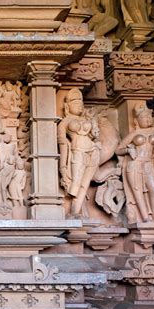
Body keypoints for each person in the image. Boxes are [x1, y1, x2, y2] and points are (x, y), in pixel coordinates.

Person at [116, 104, 154, 223]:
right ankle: (145, 218)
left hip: (148, 164)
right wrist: (128, 150)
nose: (148, 119)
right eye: (144, 117)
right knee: (137, 192)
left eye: (149, 116)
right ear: (136, 120)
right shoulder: (134, 134)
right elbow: (118, 149)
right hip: (134, 165)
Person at [58, 88, 100, 218]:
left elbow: (95, 136)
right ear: (67, 106)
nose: (79, 106)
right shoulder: (64, 123)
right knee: (76, 182)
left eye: (80, 103)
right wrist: (63, 167)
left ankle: (76, 210)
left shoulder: (86, 119)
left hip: (93, 151)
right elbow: (63, 145)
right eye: (75, 103)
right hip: (77, 152)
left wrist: (94, 124)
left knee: (85, 182)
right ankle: (74, 210)